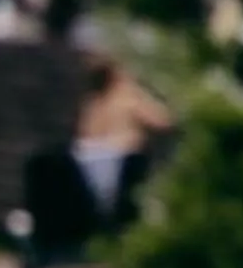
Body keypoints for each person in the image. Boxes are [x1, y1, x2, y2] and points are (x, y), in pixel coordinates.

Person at [71, 51, 172, 223]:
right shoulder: (126, 97)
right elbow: (163, 121)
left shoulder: (90, 104)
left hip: (86, 165)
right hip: (120, 164)